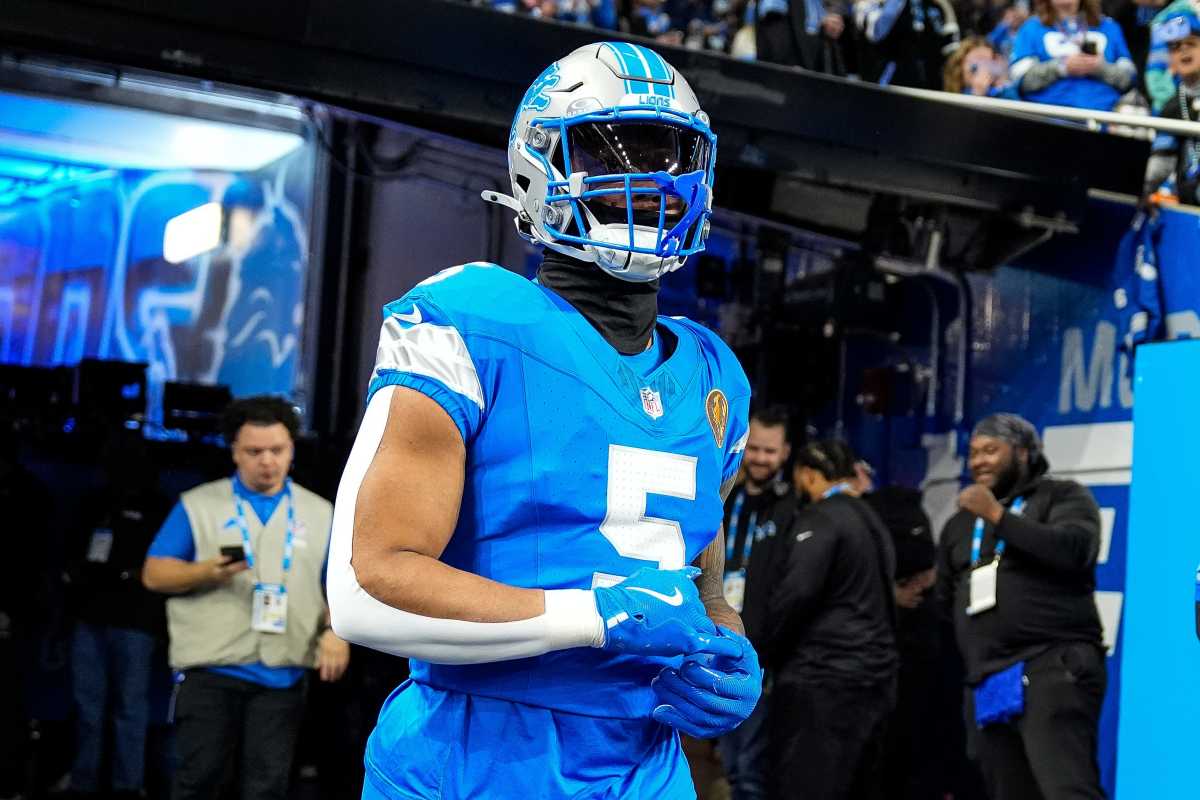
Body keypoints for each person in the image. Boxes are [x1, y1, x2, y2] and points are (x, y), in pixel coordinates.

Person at [328, 41, 761, 800]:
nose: (649, 177)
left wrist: (730, 649)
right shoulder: (470, 317)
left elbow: (704, 575)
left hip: (645, 763)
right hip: (475, 753)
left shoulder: (713, 372)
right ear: (538, 165)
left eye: (670, 153)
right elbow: (369, 589)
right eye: (607, 149)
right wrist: (593, 617)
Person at [142, 396, 350, 800]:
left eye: (278, 450)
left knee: (266, 788)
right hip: (211, 671)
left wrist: (336, 633)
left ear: (292, 449)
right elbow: (154, 573)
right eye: (254, 452)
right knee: (198, 782)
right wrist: (205, 571)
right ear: (234, 451)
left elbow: (337, 589)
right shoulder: (199, 505)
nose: (267, 461)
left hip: (282, 672)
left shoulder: (321, 512)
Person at [935, 413, 1105, 800]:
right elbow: (944, 599)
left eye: (991, 450)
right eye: (973, 453)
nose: (978, 461)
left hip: (1051, 664)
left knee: (1066, 789)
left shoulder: (1063, 496)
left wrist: (997, 515)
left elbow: (1074, 550)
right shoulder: (959, 525)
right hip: (988, 677)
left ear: (1024, 453)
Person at [763, 439, 898, 800]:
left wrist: (764, 652)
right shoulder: (872, 518)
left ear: (807, 476)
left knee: (806, 786)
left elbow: (798, 593)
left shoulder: (821, 517)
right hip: (875, 678)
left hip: (823, 680)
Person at [62, 432, 171, 800]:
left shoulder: (159, 507)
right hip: (90, 616)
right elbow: (74, 558)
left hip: (136, 621)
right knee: (87, 706)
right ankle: (83, 780)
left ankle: (128, 785)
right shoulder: (95, 502)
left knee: (131, 708)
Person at [717, 405, 795, 800]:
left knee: (752, 767)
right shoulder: (723, 499)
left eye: (770, 451)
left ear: (785, 453)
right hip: (717, 647)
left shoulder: (793, 509)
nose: (761, 459)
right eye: (755, 449)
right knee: (730, 762)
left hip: (763, 655)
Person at [1009, 0, 1137, 110]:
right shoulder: (1031, 28)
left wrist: (1101, 68)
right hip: (1047, 119)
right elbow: (1021, 82)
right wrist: (1062, 67)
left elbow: (1129, 80)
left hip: (1102, 120)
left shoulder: (1109, 27)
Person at [1144, 9, 1200, 204]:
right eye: (1175, 47)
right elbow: (1159, 167)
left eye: (1191, 44)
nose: (1183, 51)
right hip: (1188, 200)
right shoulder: (1171, 106)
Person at [755, 0, 851, 74]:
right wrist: (787, 66)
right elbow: (775, 33)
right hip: (789, 73)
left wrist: (825, 28)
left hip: (814, 72)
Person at [944, 36, 1017, 96]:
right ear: (960, 67)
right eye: (978, 59)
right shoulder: (953, 98)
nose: (984, 67)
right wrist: (977, 95)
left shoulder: (1002, 91)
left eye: (989, 61)